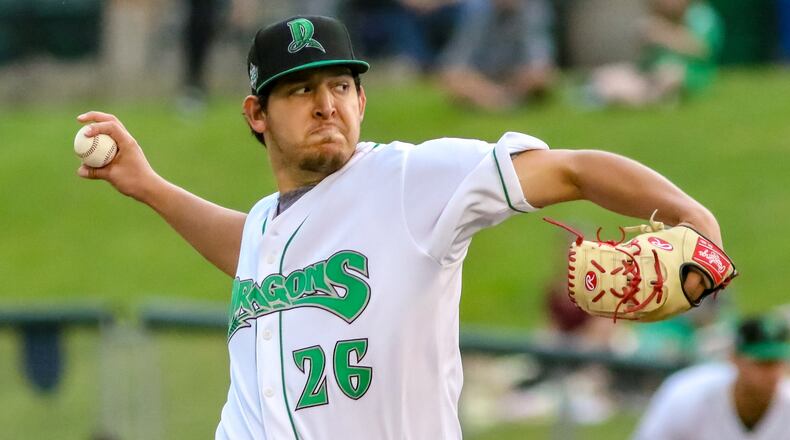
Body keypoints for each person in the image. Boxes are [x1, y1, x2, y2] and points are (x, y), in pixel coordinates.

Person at [76, 15, 726, 439]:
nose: (326, 103)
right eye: (300, 90)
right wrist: (150, 188)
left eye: (339, 85)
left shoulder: (415, 181)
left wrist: (695, 219)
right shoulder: (269, 230)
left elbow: (576, 171)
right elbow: (247, 247)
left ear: (361, 100)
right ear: (257, 113)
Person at [633, 313, 790, 439]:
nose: (773, 373)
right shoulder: (686, 395)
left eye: (778, 362)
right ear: (734, 358)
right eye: (762, 363)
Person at [585, 0, 723, 107]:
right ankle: (610, 95)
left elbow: (702, 50)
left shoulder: (700, 15)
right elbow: (644, 60)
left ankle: (629, 99)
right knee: (605, 74)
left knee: (670, 74)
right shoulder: (656, 18)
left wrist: (664, 35)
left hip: (687, 75)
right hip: (649, 74)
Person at [438, 0, 557, 111]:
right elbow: (454, 66)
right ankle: (497, 101)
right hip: (480, 77)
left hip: (514, 79)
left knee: (542, 78)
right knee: (457, 82)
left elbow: (539, 62)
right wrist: (489, 91)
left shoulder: (534, 10)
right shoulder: (474, 10)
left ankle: (501, 101)